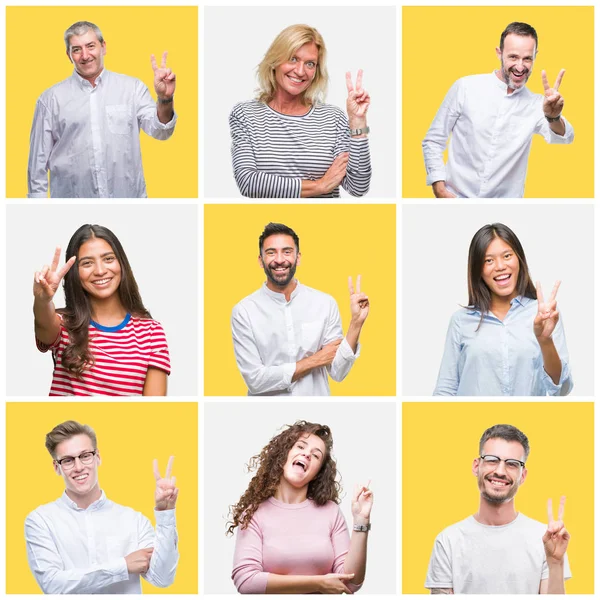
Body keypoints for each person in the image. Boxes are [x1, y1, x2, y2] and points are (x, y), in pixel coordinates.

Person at [25, 420, 179, 594]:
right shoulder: (40, 520)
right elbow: (52, 585)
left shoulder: (133, 520)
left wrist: (165, 514)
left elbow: (162, 578)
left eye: (85, 456)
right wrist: (122, 566)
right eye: (68, 460)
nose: (78, 467)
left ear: (97, 457)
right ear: (57, 467)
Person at [422, 22, 574, 198]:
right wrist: (439, 188)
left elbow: (565, 138)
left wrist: (553, 117)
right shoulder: (465, 87)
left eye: (527, 58)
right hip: (456, 199)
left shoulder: (538, 104)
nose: (520, 66)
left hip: (505, 207)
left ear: (535, 56)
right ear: (499, 53)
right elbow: (433, 140)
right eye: (513, 57)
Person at [28, 21, 177, 198]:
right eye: (76, 49)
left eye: (91, 46)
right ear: (68, 55)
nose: (85, 55)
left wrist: (165, 98)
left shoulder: (132, 89)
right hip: (71, 206)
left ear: (103, 47)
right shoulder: (50, 100)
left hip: (128, 202)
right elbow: (37, 165)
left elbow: (161, 131)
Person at [229, 421, 373, 593]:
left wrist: (361, 520)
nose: (306, 455)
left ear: (317, 473)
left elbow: (350, 582)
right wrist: (318, 583)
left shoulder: (330, 511)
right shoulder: (254, 514)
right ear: (284, 454)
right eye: (300, 447)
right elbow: (246, 581)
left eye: (316, 455)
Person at [229, 24, 371, 198]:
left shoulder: (333, 118)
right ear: (275, 61)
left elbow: (358, 187)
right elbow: (249, 183)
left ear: (316, 71)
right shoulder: (246, 114)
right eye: (293, 59)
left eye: (310, 64)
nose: (300, 71)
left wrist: (358, 123)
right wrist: (319, 186)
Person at [425, 424, 571, 594]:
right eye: (492, 460)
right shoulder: (448, 541)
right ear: (476, 466)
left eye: (512, 464)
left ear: (522, 475)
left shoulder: (544, 539)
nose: (500, 471)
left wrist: (555, 563)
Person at [231, 222, 369, 396]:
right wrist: (314, 360)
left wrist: (356, 323)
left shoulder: (324, 303)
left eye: (287, 252)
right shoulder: (244, 311)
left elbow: (338, 373)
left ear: (298, 257)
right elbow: (256, 381)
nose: (279, 260)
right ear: (261, 260)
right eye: (271, 252)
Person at [434, 223, 572, 396]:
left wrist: (545, 341)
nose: (499, 266)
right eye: (488, 260)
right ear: (478, 269)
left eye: (507, 256)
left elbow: (562, 389)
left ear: (519, 259)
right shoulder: (461, 321)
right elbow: (445, 390)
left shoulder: (543, 315)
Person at [34, 224, 170, 396]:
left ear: (121, 263)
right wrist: (42, 300)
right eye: (87, 263)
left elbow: (154, 410)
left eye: (108, 259)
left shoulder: (151, 332)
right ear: (75, 272)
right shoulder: (64, 324)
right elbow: (44, 324)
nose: (100, 271)